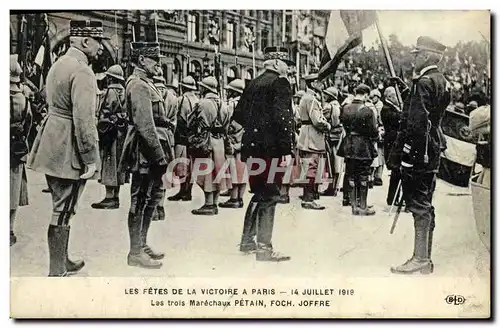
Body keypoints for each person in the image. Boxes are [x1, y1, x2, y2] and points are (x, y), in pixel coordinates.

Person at [27, 20, 107, 276]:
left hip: (52, 143)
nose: (100, 50)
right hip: (69, 149)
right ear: (85, 41)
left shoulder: (59, 64)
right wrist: (90, 158)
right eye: (97, 43)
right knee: (64, 208)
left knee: (60, 205)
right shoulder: (82, 71)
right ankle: (57, 269)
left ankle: (63, 260)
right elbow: (84, 120)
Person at [388, 36, 451, 274]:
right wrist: (407, 90)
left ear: (425, 56)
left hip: (419, 152)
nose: (413, 58)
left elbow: (417, 122)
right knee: (426, 203)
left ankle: (420, 258)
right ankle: (425, 258)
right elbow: (431, 112)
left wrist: (409, 155)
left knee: (418, 204)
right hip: (433, 148)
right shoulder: (440, 80)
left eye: (416, 55)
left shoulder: (423, 83)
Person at [233, 46, 294, 261]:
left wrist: (256, 125)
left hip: (252, 148)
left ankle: (247, 241)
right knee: (270, 196)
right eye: (286, 63)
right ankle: (265, 249)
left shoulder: (253, 83)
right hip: (272, 151)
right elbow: (283, 119)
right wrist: (286, 149)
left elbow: (238, 116)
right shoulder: (281, 83)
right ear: (277, 63)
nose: (288, 67)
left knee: (258, 193)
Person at [118, 41, 170, 269]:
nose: (158, 64)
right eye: (154, 60)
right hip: (144, 151)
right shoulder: (138, 84)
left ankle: (142, 243)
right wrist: (159, 156)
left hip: (152, 148)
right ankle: (135, 251)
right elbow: (144, 125)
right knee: (139, 199)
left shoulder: (147, 83)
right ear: (141, 60)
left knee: (151, 198)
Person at [189, 76, 231, 215]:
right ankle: (214, 203)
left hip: (206, 140)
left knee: (205, 172)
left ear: (204, 88)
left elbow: (192, 122)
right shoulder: (224, 104)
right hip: (220, 141)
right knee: (218, 171)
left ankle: (208, 204)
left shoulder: (202, 103)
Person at [337, 84, 378, 216]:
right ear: (366, 95)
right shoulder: (367, 111)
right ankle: (363, 206)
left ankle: (354, 206)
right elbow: (373, 131)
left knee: (351, 175)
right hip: (363, 147)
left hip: (348, 145)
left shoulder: (345, 108)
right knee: (363, 175)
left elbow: (342, 123)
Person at [91, 64, 128, 209]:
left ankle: (109, 196)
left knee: (109, 161)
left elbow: (105, 110)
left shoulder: (110, 92)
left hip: (110, 131)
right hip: (121, 132)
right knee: (118, 161)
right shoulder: (124, 91)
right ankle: (116, 195)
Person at [296, 73, 331, 210]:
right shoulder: (312, 99)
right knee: (311, 168)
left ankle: (307, 197)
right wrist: (327, 125)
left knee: (308, 167)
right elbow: (317, 120)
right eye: (319, 82)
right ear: (313, 84)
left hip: (306, 134)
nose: (322, 85)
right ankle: (308, 199)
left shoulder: (306, 97)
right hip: (312, 137)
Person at [10, 55, 32, 246]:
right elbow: (29, 125)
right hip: (17, 149)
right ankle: (9, 229)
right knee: (14, 189)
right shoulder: (24, 99)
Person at [168, 76, 198, 201]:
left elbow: (177, 117)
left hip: (181, 136)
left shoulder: (181, 99)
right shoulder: (198, 100)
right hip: (194, 136)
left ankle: (182, 190)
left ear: (183, 87)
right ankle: (188, 191)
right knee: (191, 165)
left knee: (181, 164)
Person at [219, 79, 246, 209]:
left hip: (234, 139)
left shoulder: (232, 105)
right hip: (246, 140)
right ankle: (240, 198)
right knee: (243, 170)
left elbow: (226, 123)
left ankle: (234, 198)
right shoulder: (250, 104)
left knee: (234, 170)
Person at [380, 86, 403, 207]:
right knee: (396, 170)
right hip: (392, 143)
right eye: (395, 95)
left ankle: (394, 197)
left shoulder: (393, 108)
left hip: (395, 143)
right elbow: (397, 119)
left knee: (397, 171)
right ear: (389, 97)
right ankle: (392, 198)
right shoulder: (386, 108)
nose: (397, 98)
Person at [321, 86, 343, 196]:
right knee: (337, 162)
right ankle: (335, 187)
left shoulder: (328, 107)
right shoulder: (338, 105)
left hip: (331, 136)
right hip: (338, 136)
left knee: (331, 163)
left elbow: (322, 118)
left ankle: (332, 188)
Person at [370, 89, 385, 186]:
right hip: (379, 129)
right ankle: (377, 175)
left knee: (380, 154)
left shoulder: (379, 106)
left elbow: (380, 119)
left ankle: (378, 176)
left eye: (373, 97)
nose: (372, 99)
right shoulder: (376, 105)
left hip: (380, 130)